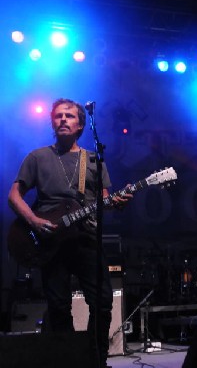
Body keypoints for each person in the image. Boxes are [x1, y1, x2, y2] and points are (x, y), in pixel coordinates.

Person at [7, 98, 133, 368]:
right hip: (50, 240)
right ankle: (67, 361)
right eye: (58, 116)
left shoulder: (94, 160)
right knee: (59, 305)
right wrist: (33, 220)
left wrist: (117, 204)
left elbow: (104, 200)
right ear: (52, 123)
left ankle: (96, 359)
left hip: (86, 237)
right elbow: (13, 195)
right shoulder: (37, 157)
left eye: (69, 116)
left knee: (101, 302)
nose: (63, 119)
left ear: (80, 125)